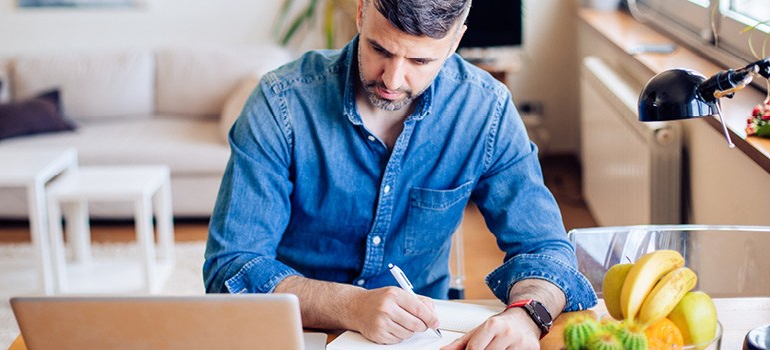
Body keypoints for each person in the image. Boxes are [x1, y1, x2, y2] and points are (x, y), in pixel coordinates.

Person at [203, 0, 597, 347]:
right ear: (361, 11)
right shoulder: (280, 103)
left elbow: (545, 251)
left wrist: (527, 315)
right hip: (302, 334)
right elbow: (231, 268)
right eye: (380, 49)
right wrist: (350, 306)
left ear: (456, 40)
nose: (392, 80)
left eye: (420, 61)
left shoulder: (485, 111)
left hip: (422, 339)